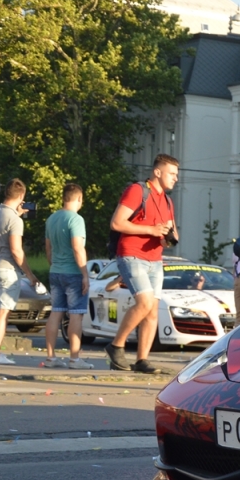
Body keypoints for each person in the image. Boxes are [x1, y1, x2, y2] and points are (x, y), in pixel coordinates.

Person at [104, 154, 179, 373]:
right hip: (131, 254)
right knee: (144, 303)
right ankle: (116, 345)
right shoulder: (137, 190)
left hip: (155, 259)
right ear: (157, 172)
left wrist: (168, 237)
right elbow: (117, 223)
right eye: (172, 174)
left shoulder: (167, 200)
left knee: (152, 310)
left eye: (176, 174)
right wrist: (151, 230)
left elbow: (173, 232)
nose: (176, 178)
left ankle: (141, 360)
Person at [0, 179, 43, 365]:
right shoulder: (15, 220)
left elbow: (1, 229)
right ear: (21, 196)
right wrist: (30, 274)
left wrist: (16, 215)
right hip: (8, 269)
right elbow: (16, 251)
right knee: (3, 313)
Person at [43, 183, 94, 369]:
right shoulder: (76, 219)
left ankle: (50, 357)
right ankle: (74, 358)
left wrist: (53, 265)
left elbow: (48, 248)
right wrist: (85, 274)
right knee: (75, 315)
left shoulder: (51, 219)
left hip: (55, 270)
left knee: (55, 312)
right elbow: (77, 247)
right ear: (79, 198)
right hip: (73, 272)